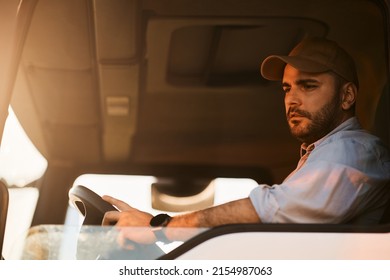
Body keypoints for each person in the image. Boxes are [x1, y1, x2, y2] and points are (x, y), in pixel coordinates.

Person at [102, 37, 390, 243]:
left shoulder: (353, 150)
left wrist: (160, 227)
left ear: (347, 96)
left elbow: (268, 210)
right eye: (287, 88)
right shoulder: (322, 153)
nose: (292, 99)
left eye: (308, 86)